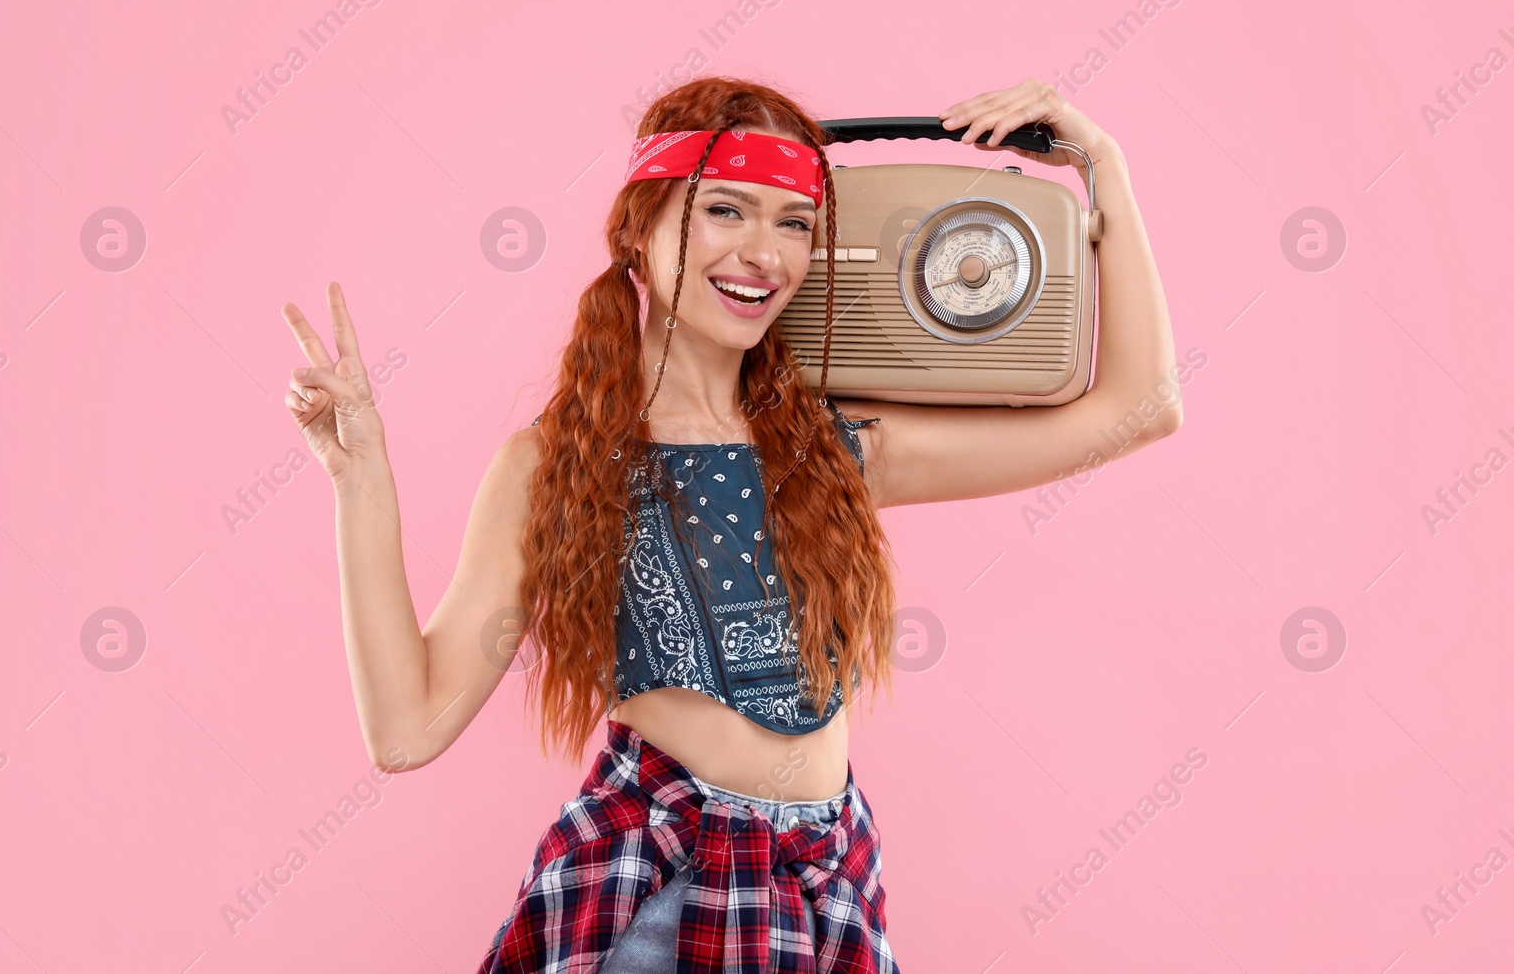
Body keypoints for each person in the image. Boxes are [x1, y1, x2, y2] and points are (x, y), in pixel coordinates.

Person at [279, 76, 1181, 972]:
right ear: (642, 228)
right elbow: (408, 728)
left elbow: (1140, 408)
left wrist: (1104, 168)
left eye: (793, 221)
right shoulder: (554, 465)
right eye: (726, 210)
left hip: (824, 890)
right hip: (659, 899)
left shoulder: (842, 452)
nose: (765, 253)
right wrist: (360, 479)